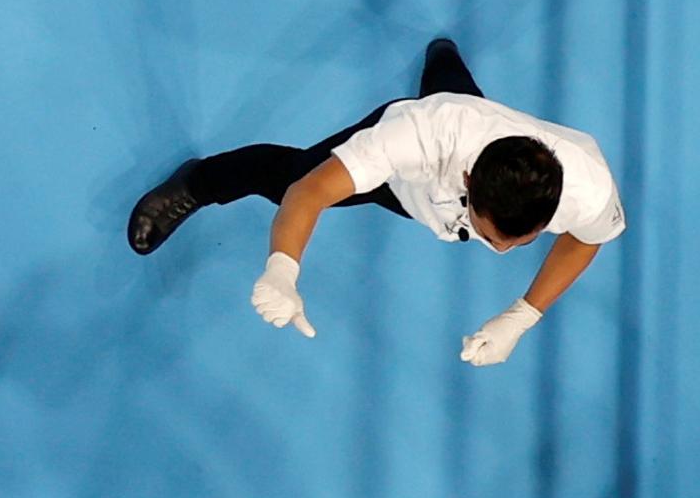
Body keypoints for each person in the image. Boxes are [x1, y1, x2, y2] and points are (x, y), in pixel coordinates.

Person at [130, 39, 625, 367]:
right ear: (469, 180)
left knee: (456, 95)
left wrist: (522, 315)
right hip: (405, 182)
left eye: (522, 241)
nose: (501, 251)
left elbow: (587, 236)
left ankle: (443, 57)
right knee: (288, 178)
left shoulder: (587, 185)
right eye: (493, 236)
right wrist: (283, 267)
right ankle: (198, 182)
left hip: (460, 126)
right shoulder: (412, 137)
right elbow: (311, 193)